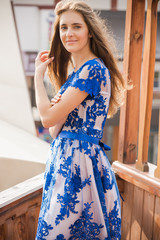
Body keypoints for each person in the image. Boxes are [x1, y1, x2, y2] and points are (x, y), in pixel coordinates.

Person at [35, 0, 126, 239]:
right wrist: (59, 105)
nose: (68, 33)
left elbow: (45, 119)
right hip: (69, 160)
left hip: (78, 164)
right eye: (63, 28)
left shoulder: (92, 70)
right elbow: (55, 130)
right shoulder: (77, 74)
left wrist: (38, 77)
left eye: (76, 26)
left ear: (89, 31)